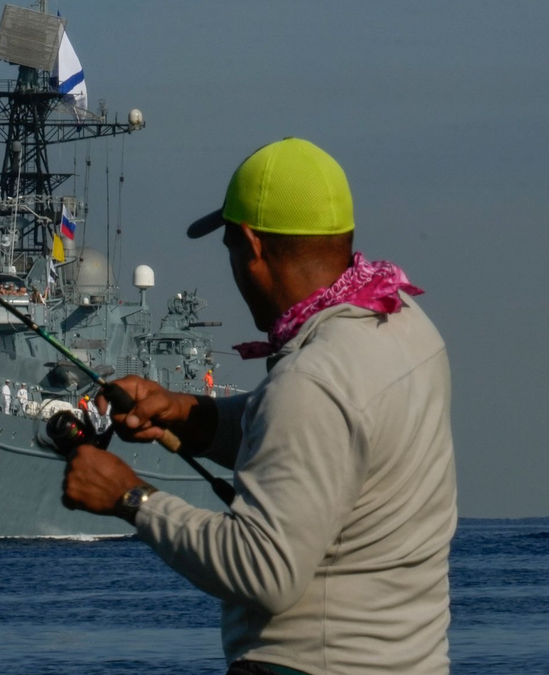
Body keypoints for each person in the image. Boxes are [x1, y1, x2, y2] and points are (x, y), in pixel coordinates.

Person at [61, 138, 456, 675]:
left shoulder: (310, 382)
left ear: (251, 245)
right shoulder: (403, 322)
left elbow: (264, 571)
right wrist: (187, 414)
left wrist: (131, 498)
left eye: (229, 248)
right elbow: (320, 441)